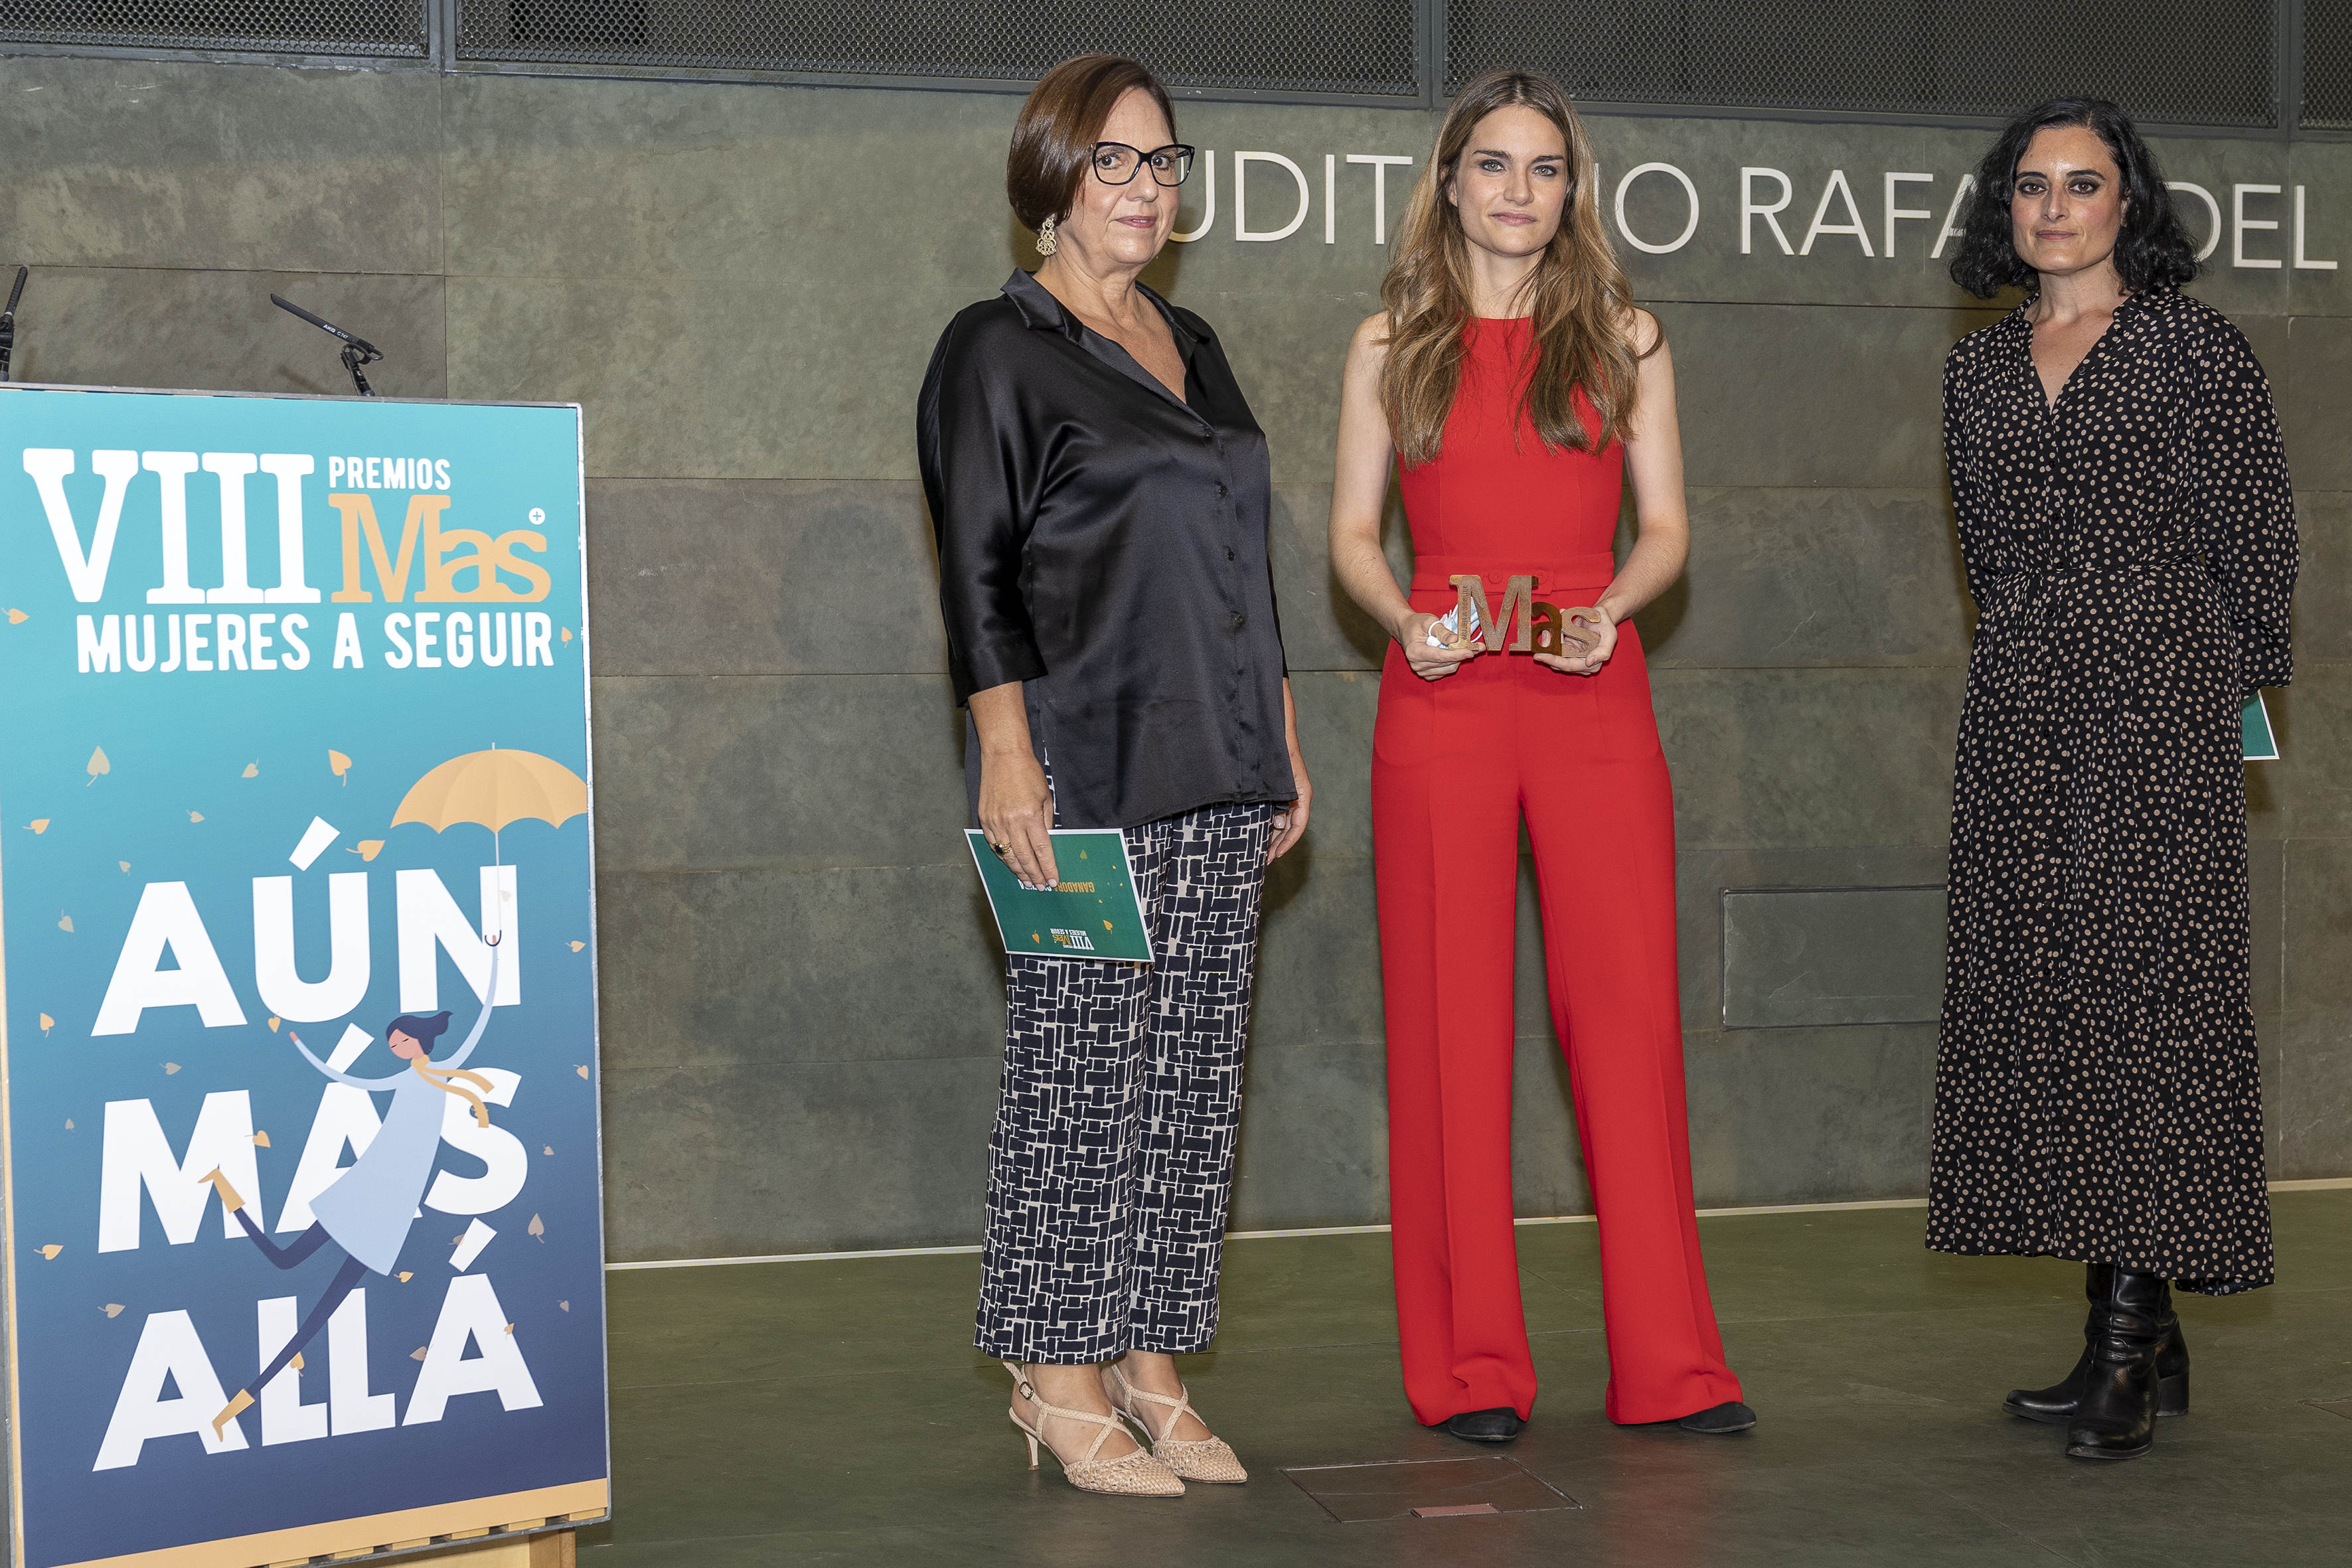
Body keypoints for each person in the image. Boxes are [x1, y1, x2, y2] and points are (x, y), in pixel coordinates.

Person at [1328, 67, 1750, 1445]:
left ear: (1573, 188)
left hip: (1589, 691)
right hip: (1441, 698)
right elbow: (1348, 537)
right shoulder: (1390, 338)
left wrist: (1611, 611)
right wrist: (1407, 620)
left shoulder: (1625, 336)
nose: (1520, 189)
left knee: (1625, 1021)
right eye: (1494, 163)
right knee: (1449, 1027)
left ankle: (1674, 1368)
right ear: (1448, 179)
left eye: (1546, 167)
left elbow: (1668, 530)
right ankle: (1467, 1369)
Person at [917, 53, 1310, 1498]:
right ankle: (1054, 1367)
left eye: (1162, 161)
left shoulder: (1189, 337)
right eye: (1114, 162)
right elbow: (974, 573)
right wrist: (1004, 751)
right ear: (1050, 180)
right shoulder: (996, 346)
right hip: (1079, 758)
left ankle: (1150, 1359)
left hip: (1217, 749)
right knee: (1082, 1070)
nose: (1146, 189)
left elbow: (1242, 552)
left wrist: (1279, 733)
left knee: (1196, 1071)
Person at [1934, 98, 2294, 1463]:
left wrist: (2210, 699)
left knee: (2149, 1004)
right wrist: (2034, 664)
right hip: (2024, 704)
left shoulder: (2195, 350)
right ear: (2004, 209)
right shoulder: (1974, 372)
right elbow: (1986, 551)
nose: (2052, 208)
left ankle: (2132, 1341)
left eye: (2080, 184)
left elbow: (2258, 546)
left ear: (2126, 202)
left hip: (2160, 709)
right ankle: (2123, 1312)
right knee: (2054, 1002)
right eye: (2028, 186)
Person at [204, 937, 505, 1438]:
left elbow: (479, 1023)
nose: (396, 1050)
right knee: (285, 1261)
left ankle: (242, 1399)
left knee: (320, 1315)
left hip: (392, 1208)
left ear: (418, 1041)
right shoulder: (405, 1080)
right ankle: (226, 1193)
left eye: (401, 1043)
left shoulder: (442, 1073)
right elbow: (347, 1078)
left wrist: (494, 953)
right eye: (392, 1046)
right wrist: (304, 1048)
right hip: (369, 1188)